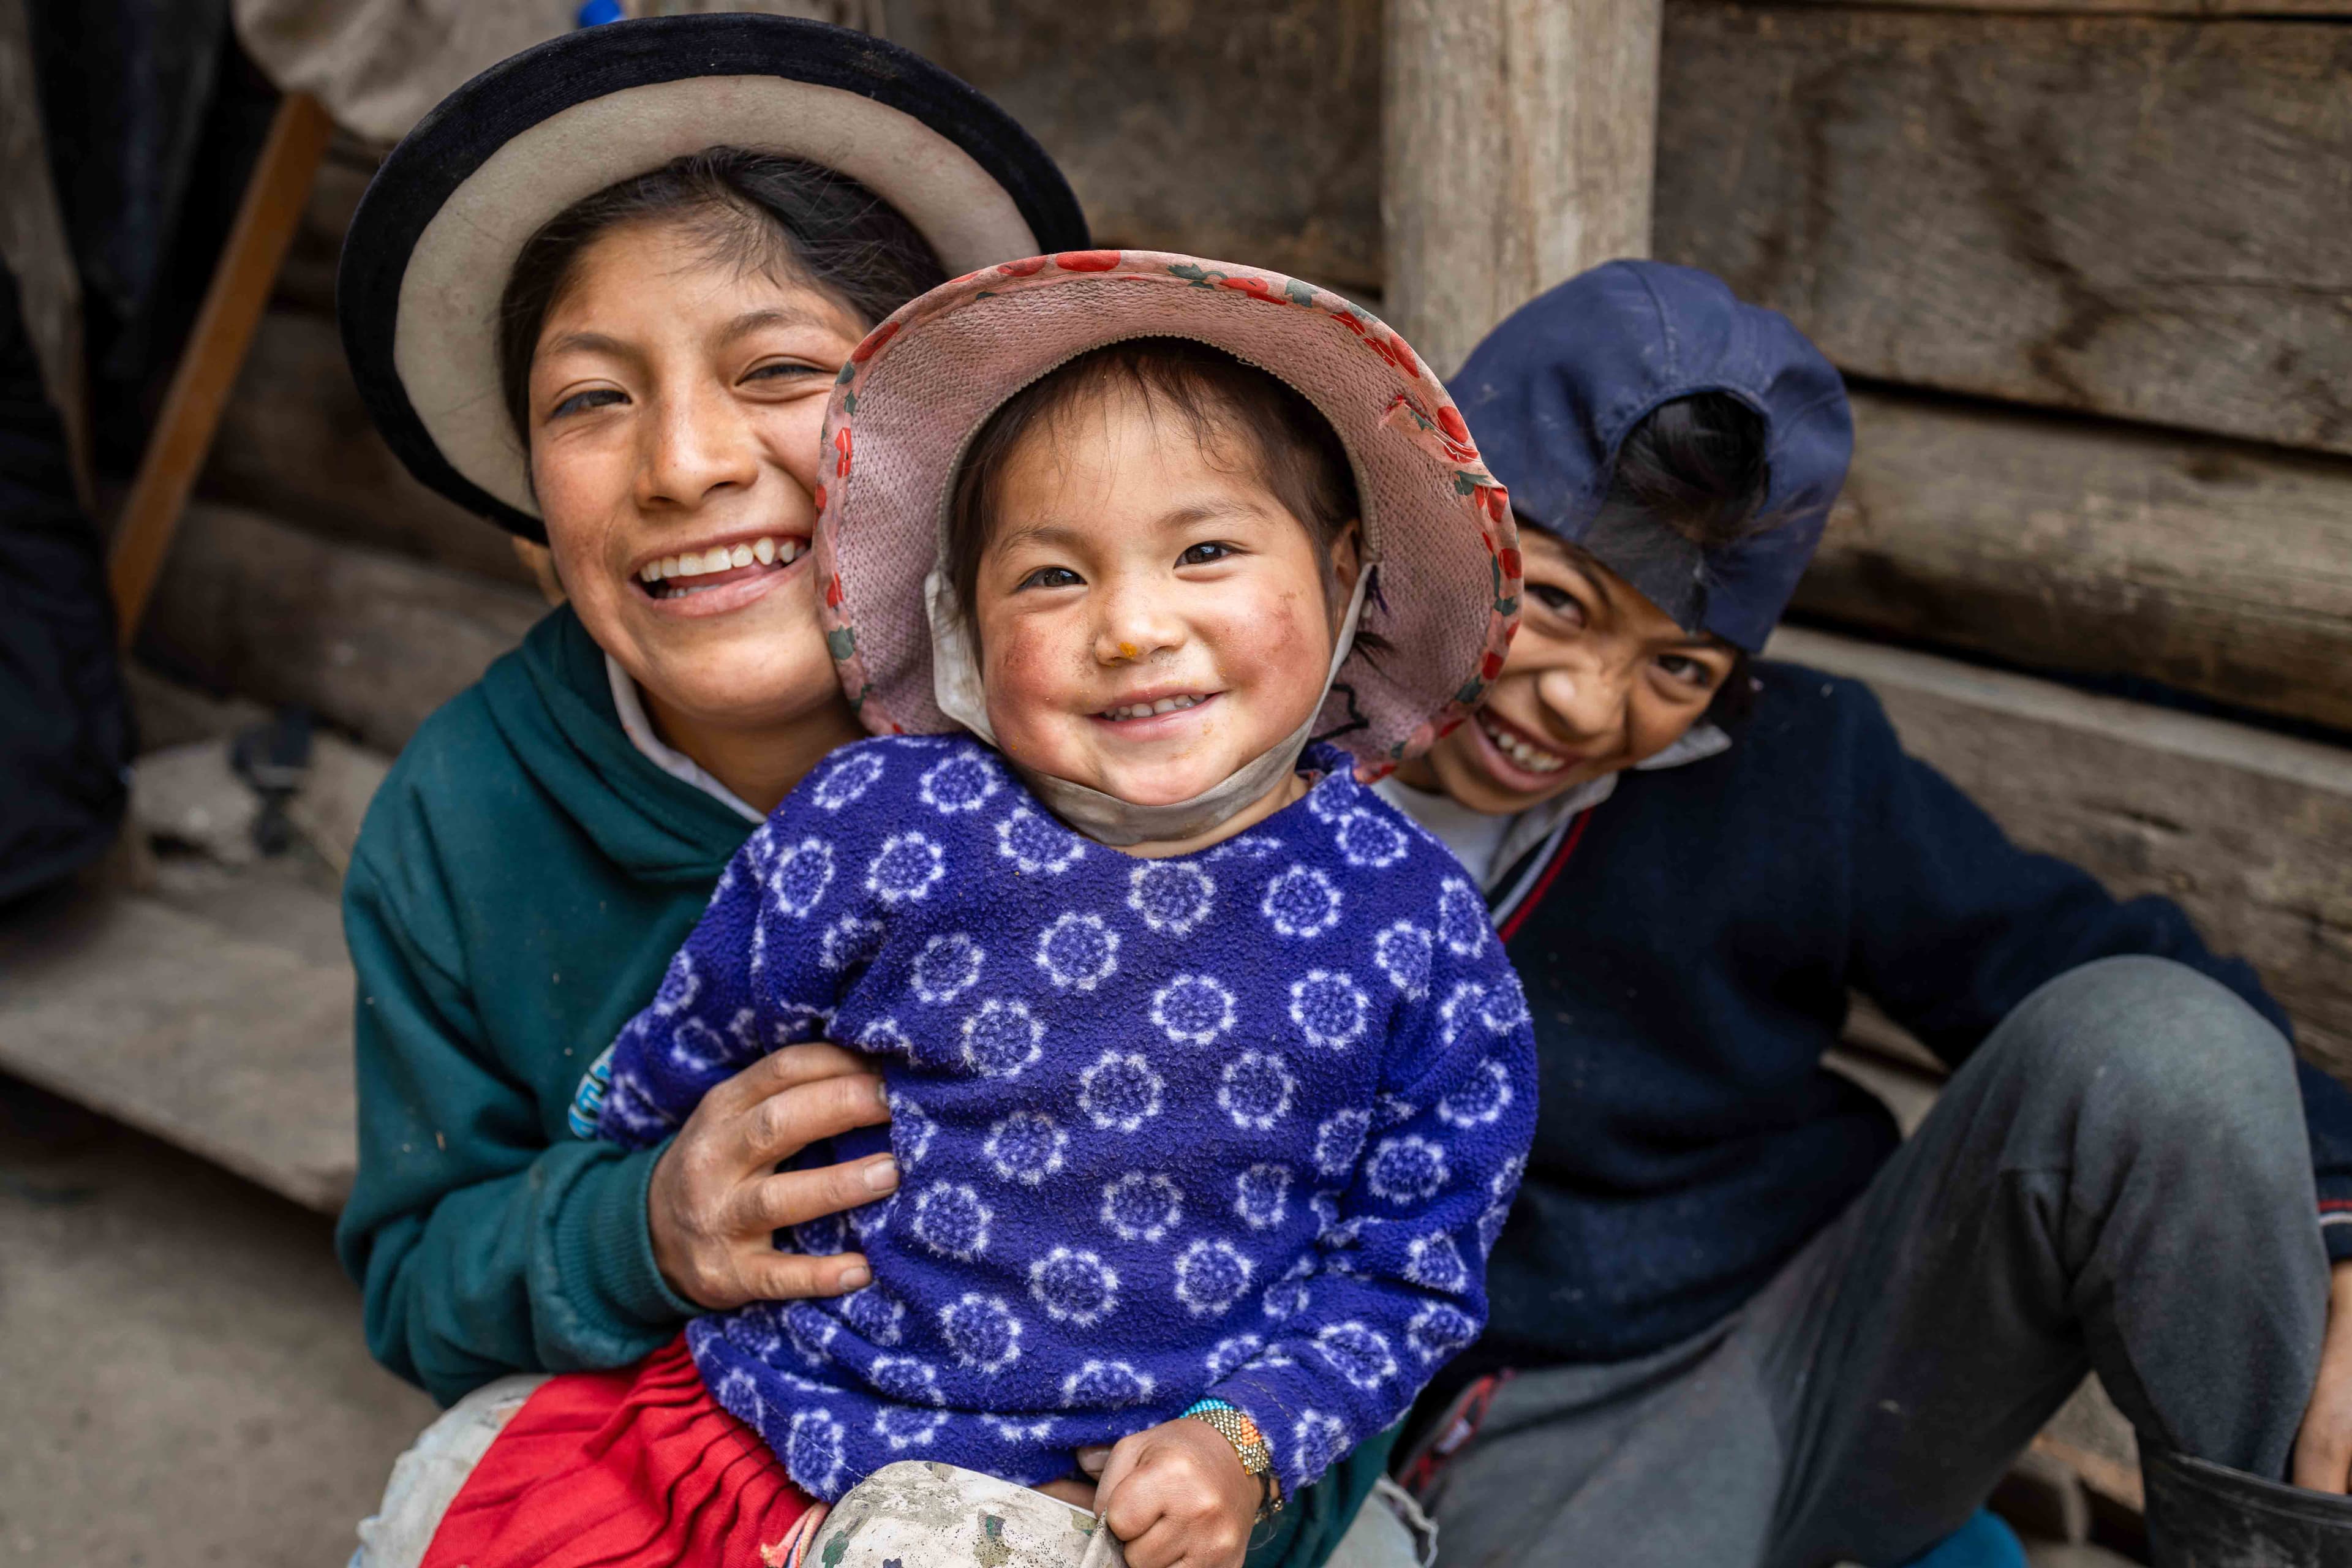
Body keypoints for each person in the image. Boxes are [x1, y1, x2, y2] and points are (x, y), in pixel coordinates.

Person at [333, 17, 1419, 1567]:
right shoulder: (464, 820)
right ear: (525, 492)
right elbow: (421, 1272)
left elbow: (1370, 1227)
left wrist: (1241, 1479)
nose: (686, 462)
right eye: (591, 400)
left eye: (779, 369)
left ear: (949, 439)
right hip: (681, 1453)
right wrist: (645, 1224)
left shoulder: (1162, 765)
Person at [1372, 258, 2352, 1568]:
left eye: (1680, 664)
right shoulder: (1251, 772)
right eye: (1554, 601)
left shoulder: (1801, 766)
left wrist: (2346, 1229)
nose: (1592, 708)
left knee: (2164, 1046)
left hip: (1837, 1336)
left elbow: (2089, 968)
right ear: (1443, 519)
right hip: (1530, 1433)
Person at [576, 260, 1537, 1568]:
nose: (1135, 628)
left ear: (1344, 571)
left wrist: (1244, 1444)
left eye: (1205, 551)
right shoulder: (879, 824)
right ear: (964, 618)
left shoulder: (1416, 928)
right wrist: (631, 1178)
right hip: (781, 1439)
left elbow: (1411, 1267)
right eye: (1050, 579)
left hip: (1123, 1525)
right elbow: (687, 1050)